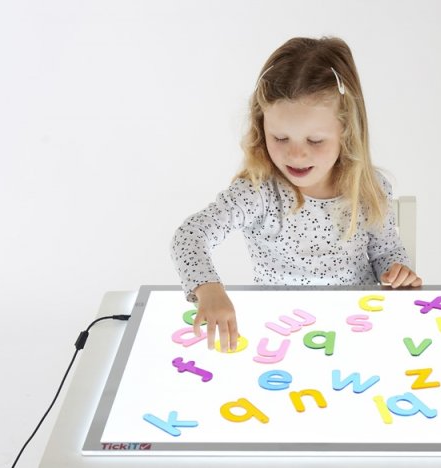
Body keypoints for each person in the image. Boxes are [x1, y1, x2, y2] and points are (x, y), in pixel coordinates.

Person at [170, 36, 421, 352]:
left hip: (358, 330)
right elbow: (189, 236)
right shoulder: (257, 192)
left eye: (315, 140)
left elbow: (386, 252)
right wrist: (209, 290)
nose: (296, 155)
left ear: (346, 132)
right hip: (281, 335)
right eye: (280, 138)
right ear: (262, 128)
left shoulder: (368, 187)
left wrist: (396, 272)